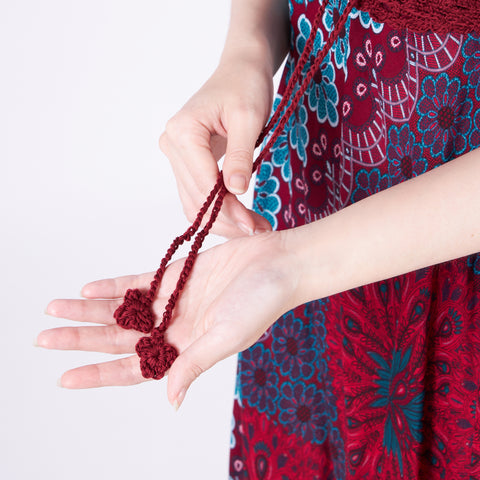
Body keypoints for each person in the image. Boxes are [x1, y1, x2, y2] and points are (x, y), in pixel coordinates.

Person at [36, 0, 480, 478]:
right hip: (312, 179)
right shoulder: (284, 259)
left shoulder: (287, 264)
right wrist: (248, 48)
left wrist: (294, 265)